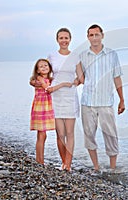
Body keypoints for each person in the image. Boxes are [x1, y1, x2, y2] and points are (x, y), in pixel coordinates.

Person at [30, 28, 81, 172]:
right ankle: (63, 162)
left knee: (70, 133)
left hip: (70, 97)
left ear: (70, 39)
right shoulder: (51, 56)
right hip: (55, 98)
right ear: (57, 40)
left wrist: (75, 82)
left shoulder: (75, 56)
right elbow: (43, 74)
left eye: (66, 38)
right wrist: (35, 82)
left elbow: (81, 77)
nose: (64, 40)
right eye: (61, 38)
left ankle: (68, 165)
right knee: (60, 134)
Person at [77, 24, 125, 171]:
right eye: (91, 35)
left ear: (102, 35)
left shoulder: (112, 54)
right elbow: (81, 78)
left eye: (97, 34)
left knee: (111, 135)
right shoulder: (82, 56)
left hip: (106, 102)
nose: (94, 38)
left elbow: (117, 78)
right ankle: (96, 167)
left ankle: (112, 168)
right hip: (88, 102)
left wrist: (122, 99)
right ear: (88, 37)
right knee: (89, 135)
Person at [30, 58, 72, 165]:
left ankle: (40, 161)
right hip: (41, 108)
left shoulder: (50, 79)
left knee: (44, 134)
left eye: (46, 65)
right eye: (41, 66)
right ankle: (40, 161)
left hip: (49, 108)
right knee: (42, 134)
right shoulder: (39, 78)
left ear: (49, 68)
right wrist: (62, 84)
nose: (44, 67)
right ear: (38, 70)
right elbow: (48, 89)